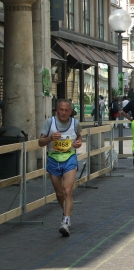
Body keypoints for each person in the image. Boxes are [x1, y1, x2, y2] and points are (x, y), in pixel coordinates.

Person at [38, 99, 82, 237]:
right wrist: (50, 138)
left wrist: (78, 143)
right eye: (61, 110)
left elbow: (79, 137)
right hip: (53, 159)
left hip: (69, 158)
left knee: (67, 190)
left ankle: (66, 221)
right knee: (59, 193)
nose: (63, 112)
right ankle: (67, 211)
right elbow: (40, 142)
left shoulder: (75, 124)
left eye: (66, 110)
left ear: (70, 111)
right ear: (57, 110)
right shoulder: (49, 122)